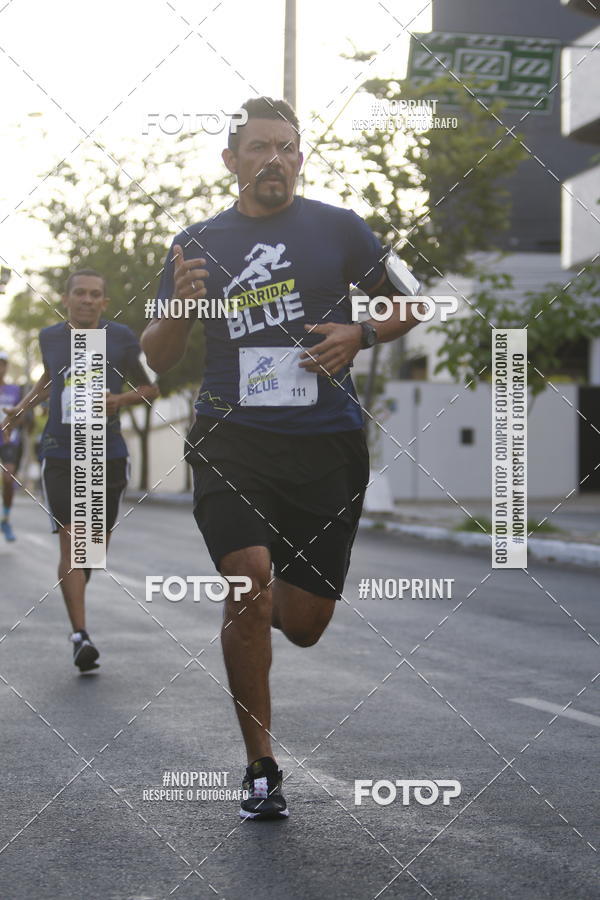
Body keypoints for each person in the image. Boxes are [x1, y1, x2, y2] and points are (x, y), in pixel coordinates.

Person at [141, 97, 423, 820]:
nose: (275, 159)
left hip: (326, 444)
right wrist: (177, 306)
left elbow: (414, 303)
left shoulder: (341, 228)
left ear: (301, 158)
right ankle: (261, 767)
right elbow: (157, 357)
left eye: (287, 147)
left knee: (301, 621)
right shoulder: (196, 243)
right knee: (249, 580)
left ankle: (257, 614)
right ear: (230, 159)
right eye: (259, 147)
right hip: (231, 437)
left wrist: (362, 332)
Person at [1, 270, 158, 671]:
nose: (87, 300)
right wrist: (20, 411)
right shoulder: (50, 337)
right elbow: (49, 379)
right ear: (66, 298)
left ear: (104, 302)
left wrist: (117, 399)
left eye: (95, 294)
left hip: (107, 452)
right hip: (60, 450)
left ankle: (77, 594)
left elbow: (150, 388)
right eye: (80, 293)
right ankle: (80, 636)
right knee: (73, 541)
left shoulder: (122, 337)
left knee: (93, 548)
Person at [0, 351, 24, 542]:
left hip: (9, 440)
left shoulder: (15, 390)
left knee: (8, 479)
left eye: (2, 364)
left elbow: (23, 414)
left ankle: (5, 519)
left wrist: (13, 424)